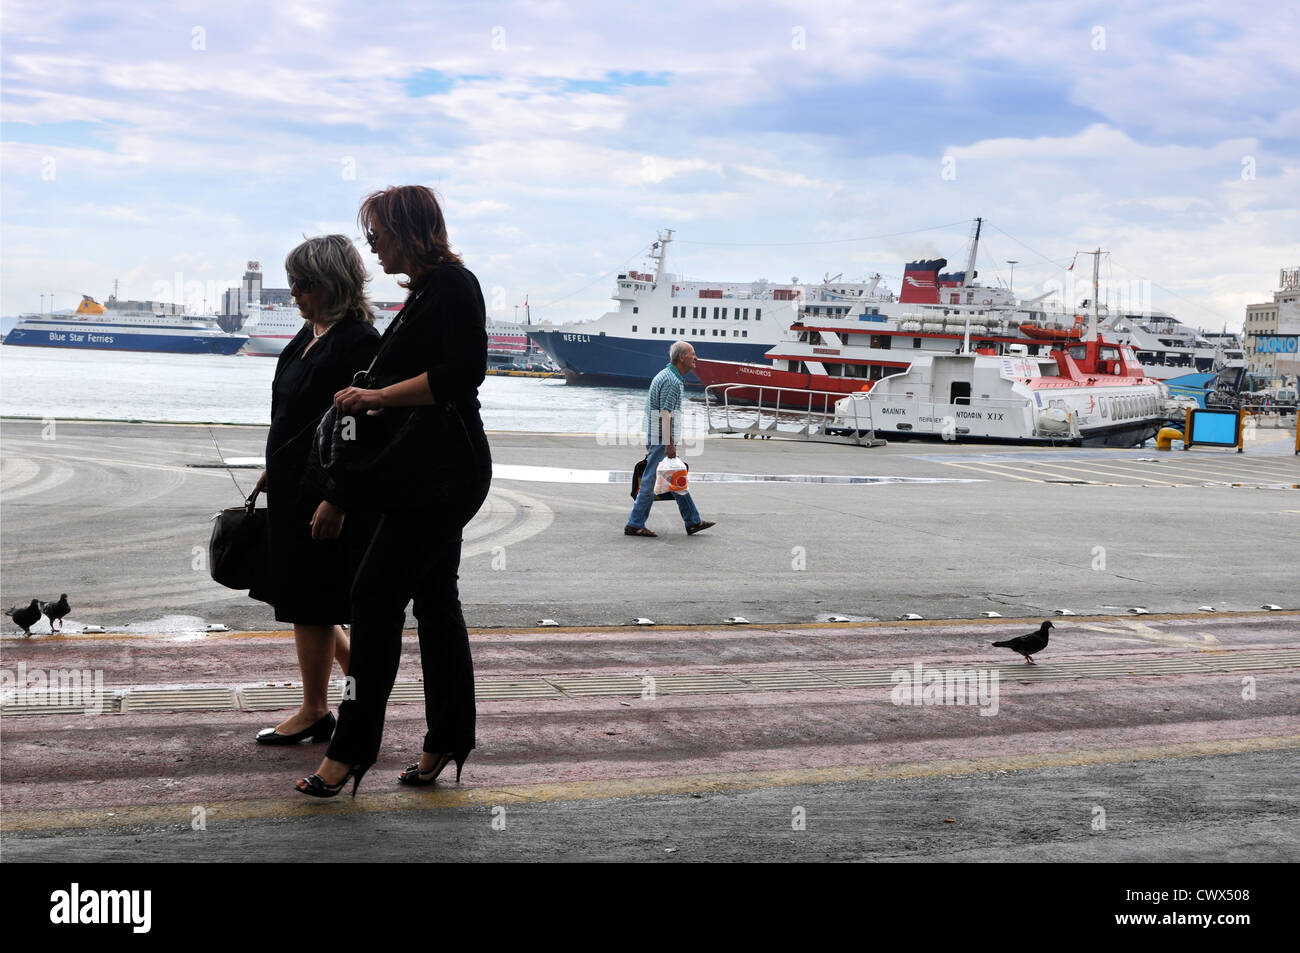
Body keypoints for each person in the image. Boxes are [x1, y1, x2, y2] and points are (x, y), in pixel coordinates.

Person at [296, 185, 493, 797]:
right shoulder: (428, 294)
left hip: (441, 474)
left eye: (378, 232)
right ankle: (448, 739)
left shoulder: (454, 287)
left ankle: (350, 752)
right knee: (435, 603)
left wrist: (376, 396)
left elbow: (465, 373)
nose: (372, 244)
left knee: (373, 599)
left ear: (409, 230)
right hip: (421, 472)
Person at [249, 235, 380, 745]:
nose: (295, 293)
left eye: (304, 284)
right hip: (293, 489)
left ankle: (314, 710)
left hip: (324, 496)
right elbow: (294, 418)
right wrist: (272, 470)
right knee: (310, 598)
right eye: (293, 283)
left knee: (312, 603)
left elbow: (361, 430)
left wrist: (339, 497)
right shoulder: (307, 336)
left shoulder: (357, 344)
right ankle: (364, 681)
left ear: (333, 285)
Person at [624, 341, 715, 538]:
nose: (696, 358)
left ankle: (693, 521)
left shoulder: (668, 376)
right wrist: (669, 444)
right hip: (661, 437)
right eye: (693, 354)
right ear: (682, 357)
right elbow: (665, 414)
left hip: (657, 435)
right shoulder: (672, 381)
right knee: (650, 480)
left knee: (675, 478)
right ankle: (635, 523)